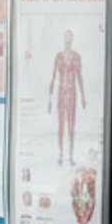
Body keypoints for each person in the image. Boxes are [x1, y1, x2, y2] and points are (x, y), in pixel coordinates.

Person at [49, 29, 86, 165]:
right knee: (60, 124)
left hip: (72, 93)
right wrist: (50, 97)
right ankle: (60, 155)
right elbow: (53, 76)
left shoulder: (76, 56)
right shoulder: (58, 56)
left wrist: (83, 96)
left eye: (70, 36)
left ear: (72, 39)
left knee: (71, 124)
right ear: (63, 38)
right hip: (61, 92)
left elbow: (79, 77)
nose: (67, 39)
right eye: (66, 36)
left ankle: (70, 156)